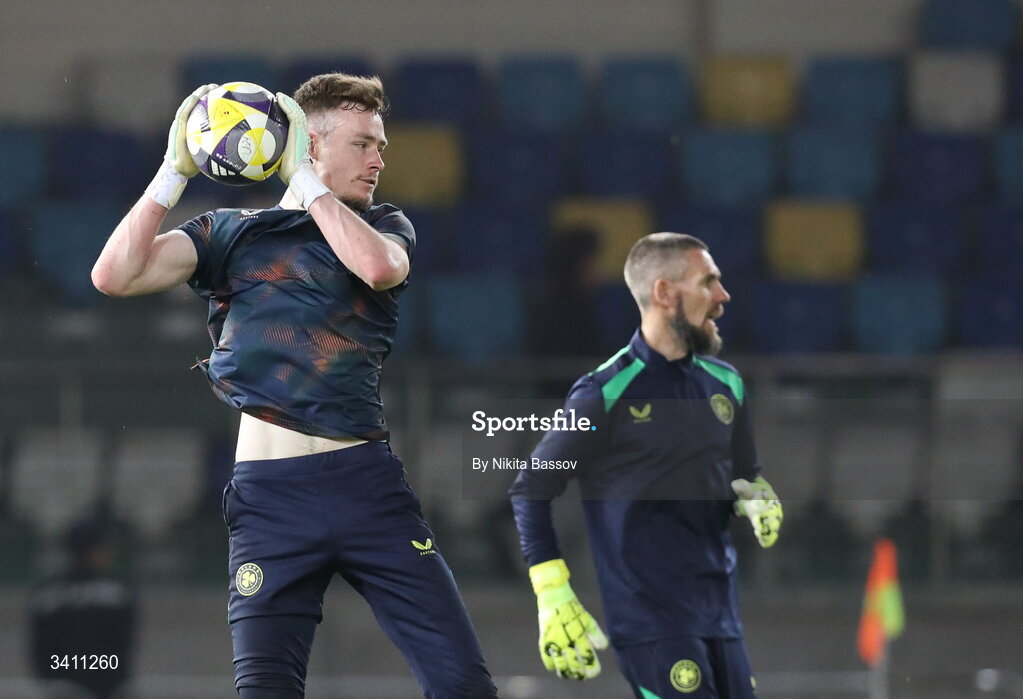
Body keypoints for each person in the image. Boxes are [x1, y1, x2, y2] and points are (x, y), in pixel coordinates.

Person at [92, 74, 497, 699]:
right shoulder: (228, 232)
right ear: (312, 143)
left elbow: (378, 267)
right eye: (364, 144)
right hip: (268, 502)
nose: (379, 159)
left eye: (380, 145)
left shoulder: (385, 224)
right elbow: (114, 276)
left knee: (464, 684)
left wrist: (302, 181)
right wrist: (172, 174)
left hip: (366, 487)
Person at [509, 232, 783, 698]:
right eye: (707, 283)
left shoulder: (727, 384)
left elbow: (744, 475)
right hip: (650, 623)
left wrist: (756, 495)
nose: (723, 296)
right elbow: (531, 488)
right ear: (662, 293)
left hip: (722, 617)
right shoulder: (605, 392)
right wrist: (552, 593)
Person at [28, 518, 136, 699]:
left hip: (61, 685)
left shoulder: (46, 591)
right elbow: (122, 644)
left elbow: (41, 649)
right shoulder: (118, 591)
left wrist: (56, 676)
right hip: (104, 686)